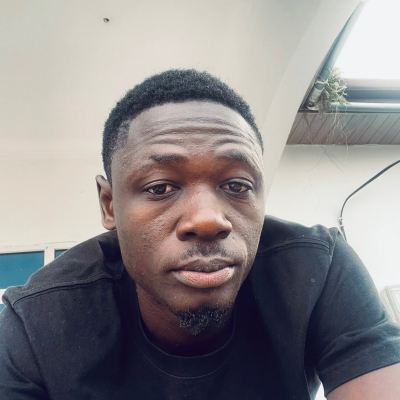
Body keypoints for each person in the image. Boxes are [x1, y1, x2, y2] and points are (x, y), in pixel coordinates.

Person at [1, 69, 400, 400]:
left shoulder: (318, 271)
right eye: (160, 187)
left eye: (237, 185)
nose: (209, 221)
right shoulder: (36, 324)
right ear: (109, 205)